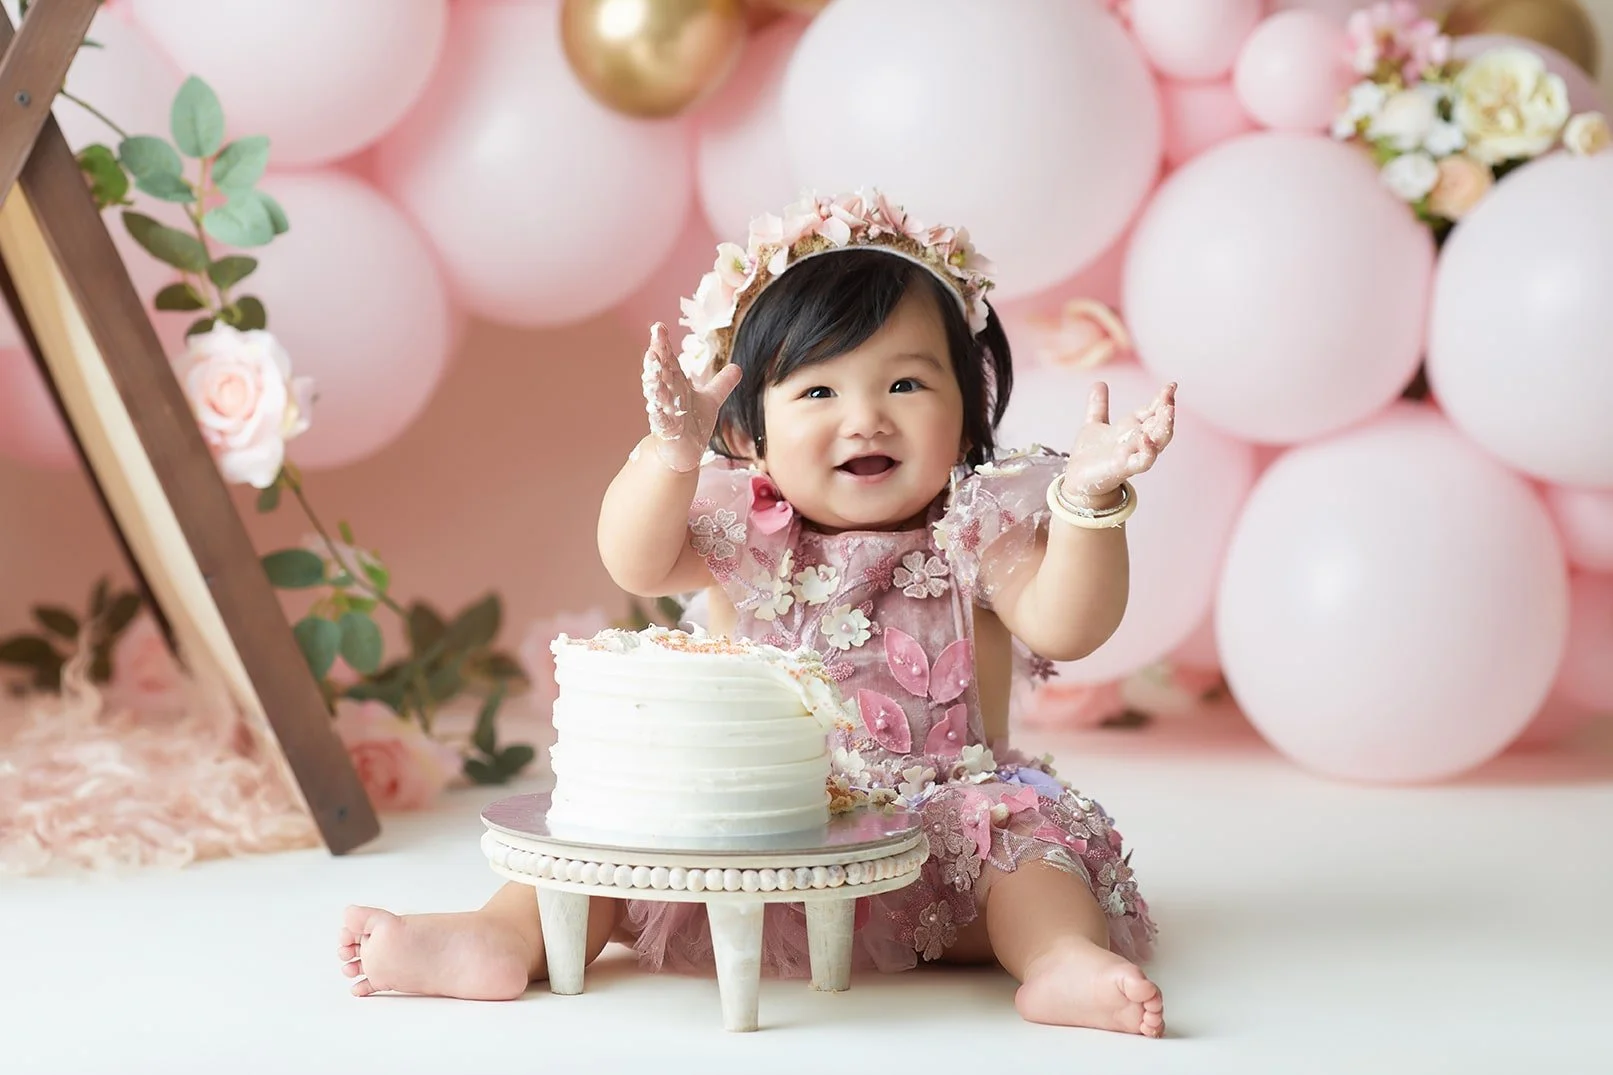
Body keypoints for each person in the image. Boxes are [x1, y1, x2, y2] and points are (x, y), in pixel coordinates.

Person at [338, 190, 1176, 1037]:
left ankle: (1055, 957)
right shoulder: (745, 523)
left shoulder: (974, 528)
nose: (865, 415)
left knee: (1024, 846)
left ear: (966, 415)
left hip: (929, 844)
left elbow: (1068, 623)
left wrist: (1086, 506)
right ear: (747, 434)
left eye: (907, 381)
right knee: (611, 849)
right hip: (748, 837)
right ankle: (502, 935)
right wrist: (669, 455)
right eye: (817, 391)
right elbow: (633, 556)